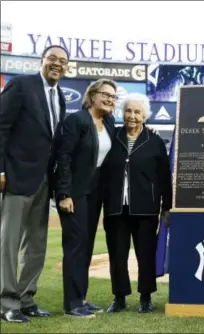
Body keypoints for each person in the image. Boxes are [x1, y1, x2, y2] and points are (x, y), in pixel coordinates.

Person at [0, 45, 68, 323]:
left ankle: (26, 298)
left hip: (44, 179)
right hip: (17, 175)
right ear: (41, 61)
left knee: (36, 243)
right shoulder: (22, 85)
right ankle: (7, 302)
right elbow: (1, 127)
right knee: (9, 241)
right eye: (52, 58)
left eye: (62, 61)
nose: (57, 64)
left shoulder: (60, 96)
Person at [101, 93, 172, 313]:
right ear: (122, 113)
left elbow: (164, 177)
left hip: (146, 208)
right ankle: (119, 297)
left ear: (145, 115)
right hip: (115, 208)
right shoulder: (111, 137)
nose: (132, 116)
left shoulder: (155, 141)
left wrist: (166, 207)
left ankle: (145, 297)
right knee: (118, 255)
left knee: (146, 254)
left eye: (137, 112)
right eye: (129, 111)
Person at [54, 79, 116, 318]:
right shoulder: (77, 120)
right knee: (75, 246)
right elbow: (64, 158)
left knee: (87, 246)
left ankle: (81, 298)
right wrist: (64, 193)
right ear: (92, 95)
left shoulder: (108, 121)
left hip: (95, 194)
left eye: (113, 96)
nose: (110, 99)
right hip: (75, 194)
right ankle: (72, 304)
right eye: (105, 94)